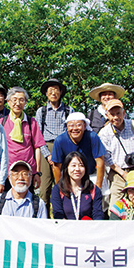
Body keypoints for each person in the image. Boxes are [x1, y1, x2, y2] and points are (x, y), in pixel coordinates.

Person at [98, 99, 134, 209]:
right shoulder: (104, 133)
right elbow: (107, 158)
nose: (116, 117)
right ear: (107, 115)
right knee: (115, 205)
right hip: (117, 172)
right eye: (112, 114)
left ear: (123, 113)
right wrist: (123, 173)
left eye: (118, 113)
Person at [35, 78, 74, 213]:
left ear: (61, 92)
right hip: (47, 147)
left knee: (64, 185)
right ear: (46, 93)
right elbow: (38, 135)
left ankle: (64, 214)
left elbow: (72, 133)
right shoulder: (42, 111)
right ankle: (44, 217)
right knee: (45, 187)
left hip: (65, 149)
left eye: (56, 89)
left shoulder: (69, 110)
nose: (53, 92)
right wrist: (48, 155)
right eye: (50, 90)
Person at [0, 87, 46, 188]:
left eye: (21, 100)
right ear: (8, 102)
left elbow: (37, 147)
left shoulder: (31, 122)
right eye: (14, 100)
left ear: (25, 102)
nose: (18, 103)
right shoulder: (1, 123)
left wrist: (37, 173)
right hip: (8, 172)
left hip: (28, 171)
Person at [52, 112, 107, 190]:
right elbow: (56, 166)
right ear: (67, 127)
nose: (75, 128)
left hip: (90, 175)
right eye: (71, 125)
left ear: (84, 126)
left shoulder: (92, 137)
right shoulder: (60, 140)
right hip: (69, 177)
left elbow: (100, 161)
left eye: (78, 125)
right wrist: (61, 188)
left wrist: (98, 187)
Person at [50, 151, 103, 220]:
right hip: (66, 228)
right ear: (66, 168)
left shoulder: (94, 189)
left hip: (88, 229)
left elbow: (98, 215)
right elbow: (58, 214)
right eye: (73, 165)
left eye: (81, 165)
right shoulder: (58, 189)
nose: (77, 169)